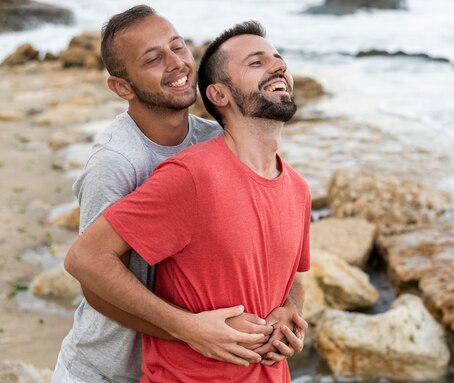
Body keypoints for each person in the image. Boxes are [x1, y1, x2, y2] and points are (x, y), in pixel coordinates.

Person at [54, 6, 306, 383]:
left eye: (179, 47)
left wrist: (289, 310)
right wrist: (189, 328)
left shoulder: (216, 142)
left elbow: (279, 259)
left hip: (198, 357)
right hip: (108, 369)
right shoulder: (119, 161)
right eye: (154, 58)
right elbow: (92, 274)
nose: (177, 64)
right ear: (122, 87)